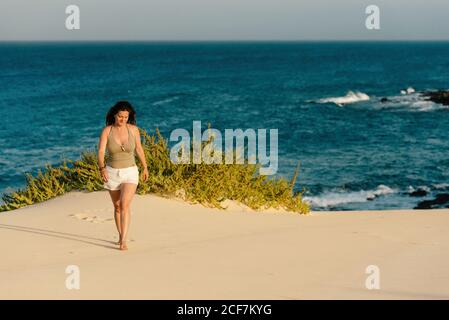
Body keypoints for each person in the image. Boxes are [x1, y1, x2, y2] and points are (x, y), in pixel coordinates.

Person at [97, 101, 148, 250]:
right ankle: (120, 235)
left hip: (130, 172)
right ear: (114, 115)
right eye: (120, 116)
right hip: (112, 172)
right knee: (117, 206)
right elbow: (101, 151)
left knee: (125, 204)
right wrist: (101, 168)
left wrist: (145, 167)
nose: (123, 120)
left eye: (126, 117)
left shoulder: (133, 130)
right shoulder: (107, 131)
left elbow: (139, 149)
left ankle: (123, 240)